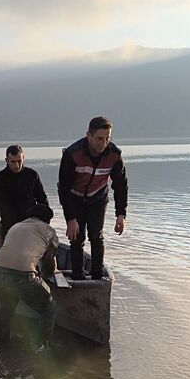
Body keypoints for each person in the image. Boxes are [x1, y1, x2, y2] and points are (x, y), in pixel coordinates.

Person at [58, 116, 128, 280]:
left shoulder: (114, 155)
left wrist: (121, 215)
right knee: (77, 237)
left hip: (97, 198)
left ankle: (97, 277)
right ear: (88, 135)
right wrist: (70, 218)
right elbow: (64, 189)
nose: (103, 143)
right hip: (74, 198)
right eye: (99, 138)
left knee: (96, 236)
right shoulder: (72, 154)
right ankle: (77, 277)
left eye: (107, 138)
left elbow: (120, 186)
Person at [0, 204, 58, 346]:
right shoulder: (49, 231)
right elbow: (48, 262)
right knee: (48, 307)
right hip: (23, 275)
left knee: (6, 306)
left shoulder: (15, 227)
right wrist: (45, 277)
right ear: (47, 220)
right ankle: (42, 348)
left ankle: (0, 344)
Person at [0, 145, 48, 247]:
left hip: (30, 226)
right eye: (13, 162)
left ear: (23, 158)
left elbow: (43, 201)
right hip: (8, 227)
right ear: (6, 160)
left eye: (19, 161)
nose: (17, 165)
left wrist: (44, 224)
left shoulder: (32, 175)